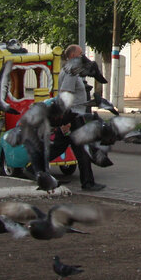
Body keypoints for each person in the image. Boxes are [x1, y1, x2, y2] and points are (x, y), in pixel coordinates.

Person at [54, 44, 101, 192]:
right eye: (80, 54)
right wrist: (66, 120)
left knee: (61, 147)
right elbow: (65, 94)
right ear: (73, 56)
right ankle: (87, 183)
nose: (83, 56)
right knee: (79, 150)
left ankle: (88, 182)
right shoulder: (71, 72)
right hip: (72, 116)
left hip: (74, 116)